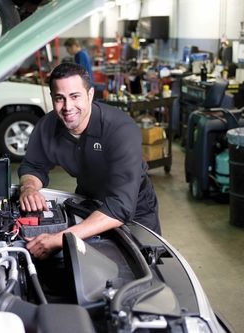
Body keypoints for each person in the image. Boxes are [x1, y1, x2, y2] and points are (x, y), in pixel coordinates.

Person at [18, 62, 161, 260]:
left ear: (90, 95)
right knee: (91, 266)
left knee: (146, 266)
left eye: (75, 96)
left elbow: (120, 206)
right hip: (88, 202)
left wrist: (60, 238)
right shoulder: (48, 126)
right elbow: (33, 166)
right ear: (52, 98)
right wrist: (29, 188)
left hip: (136, 210)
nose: (68, 107)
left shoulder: (120, 129)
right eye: (60, 98)